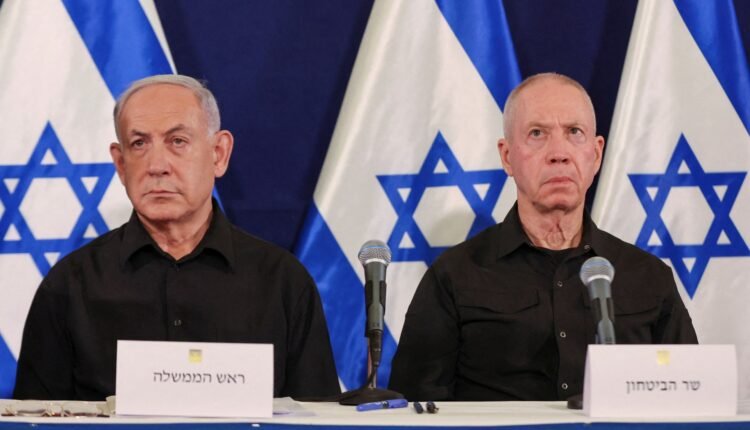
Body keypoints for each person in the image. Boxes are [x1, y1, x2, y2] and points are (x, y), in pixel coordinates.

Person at [13, 74, 340, 400]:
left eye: (178, 141)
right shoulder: (69, 286)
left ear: (219, 153)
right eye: (139, 144)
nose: (157, 165)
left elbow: (319, 417)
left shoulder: (282, 282)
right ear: (121, 164)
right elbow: (34, 419)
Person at [388, 73, 697, 401]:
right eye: (537, 133)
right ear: (507, 156)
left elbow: (691, 399)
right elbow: (415, 408)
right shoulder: (454, 276)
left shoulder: (649, 277)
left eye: (574, 132)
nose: (559, 153)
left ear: (596, 155)